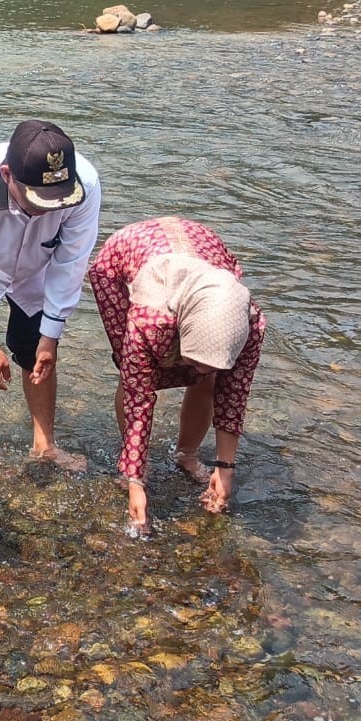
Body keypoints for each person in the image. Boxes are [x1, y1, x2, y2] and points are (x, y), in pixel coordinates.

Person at [0, 119, 102, 477]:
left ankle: (45, 445)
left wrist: (51, 335)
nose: (50, 208)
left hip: (40, 266)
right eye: (38, 199)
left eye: (59, 199)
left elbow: (71, 262)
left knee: (36, 351)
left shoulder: (85, 185)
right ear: (8, 174)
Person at [87, 217, 266, 534]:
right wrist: (135, 480)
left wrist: (226, 467)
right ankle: (132, 465)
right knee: (135, 373)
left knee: (207, 377)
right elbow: (138, 397)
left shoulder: (250, 324)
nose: (201, 370)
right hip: (123, 262)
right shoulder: (149, 322)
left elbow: (234, 394)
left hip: (204, 262)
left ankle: (187, 454)